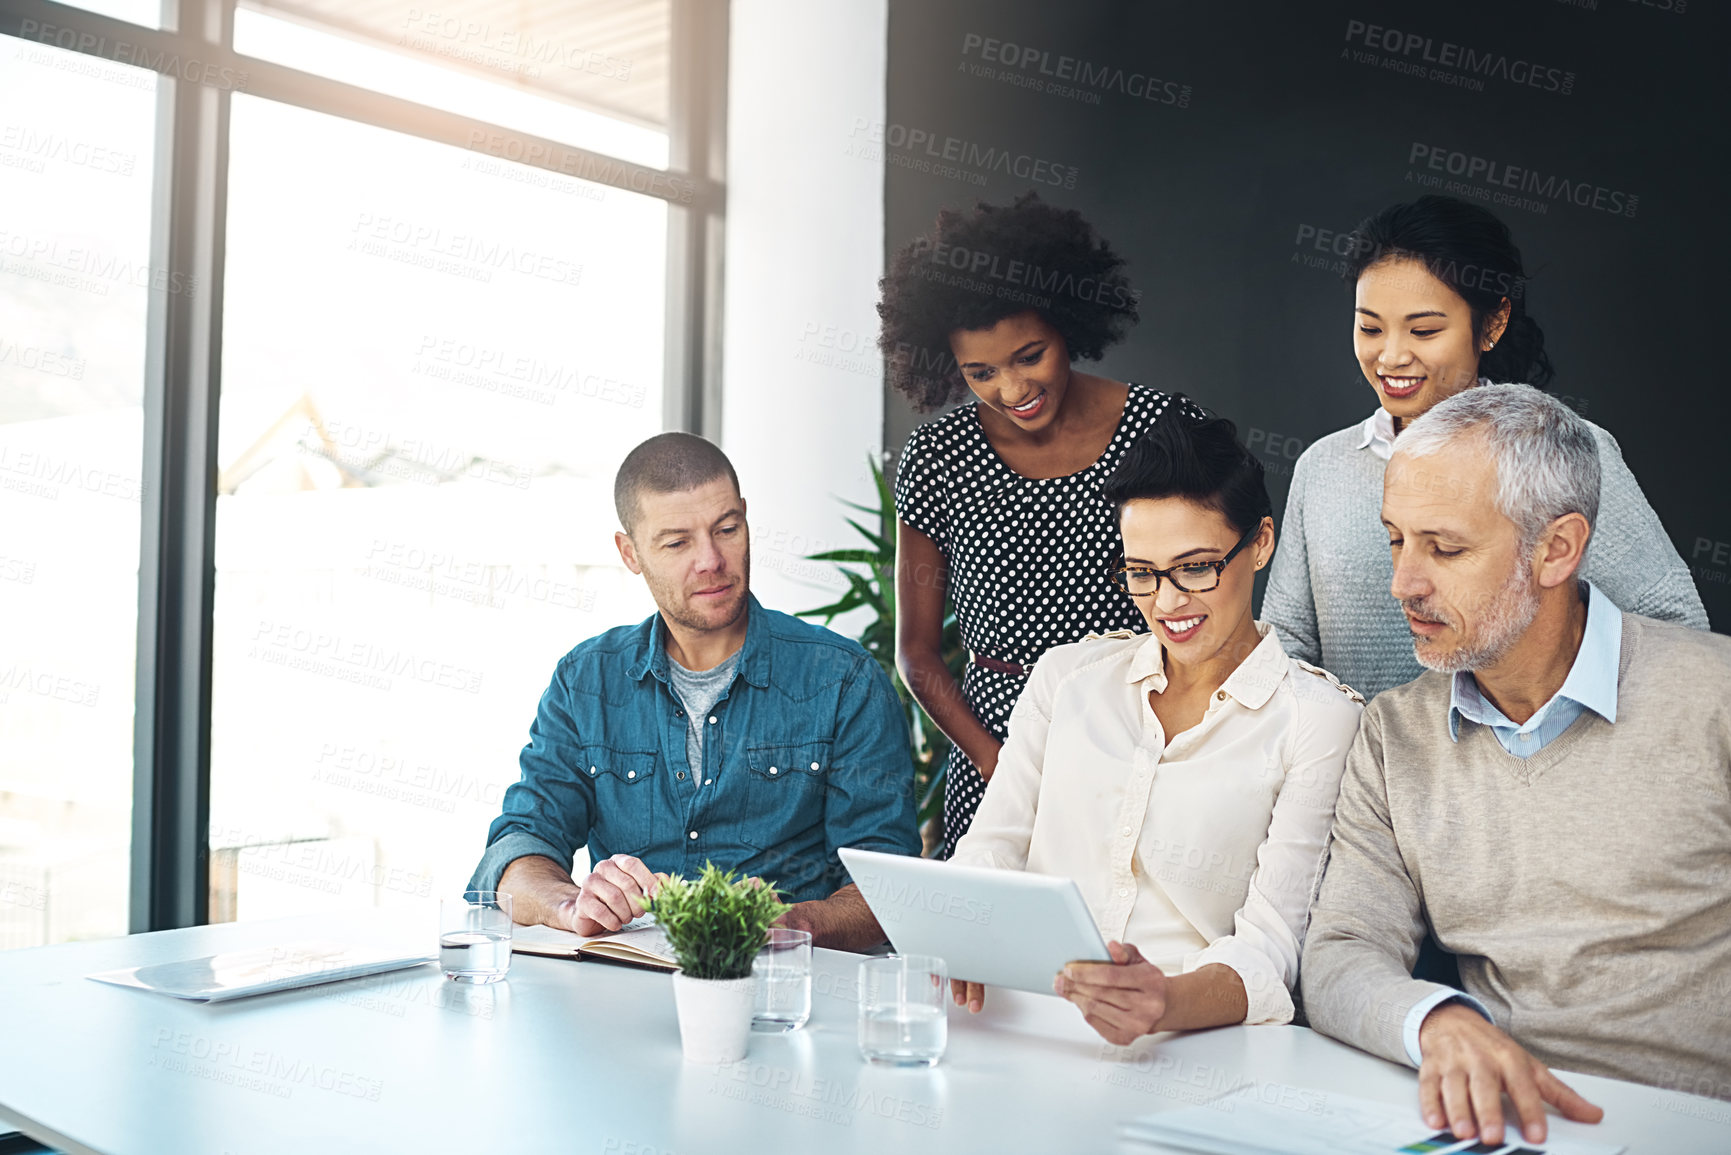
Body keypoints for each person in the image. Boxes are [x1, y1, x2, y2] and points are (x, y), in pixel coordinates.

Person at [1302, 385, 1731, 1148]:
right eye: (1394, 539)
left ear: (1556, 549)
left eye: (1445, 546)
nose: (1402, 582)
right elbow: (1340, 951)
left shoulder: (1714, 697)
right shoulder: (1392, 733)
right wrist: (1436, 1021)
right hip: (1499, 1128)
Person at [948, 406, 1365, 1041]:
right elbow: (990, 849)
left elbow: (1272, 947)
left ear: (1260, 543)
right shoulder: (1066, 679)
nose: (1168, 603)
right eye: (1142, 574)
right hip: (1022, 1021)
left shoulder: (1320, 721)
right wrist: (965, 924)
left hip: (1193, 1042)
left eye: (1196, 567)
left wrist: (1161, 1003)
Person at [467, 432, 921, 951]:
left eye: (727, 529)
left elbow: (891, 889)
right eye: (677, 542)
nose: (711, 560)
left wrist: (795, 923)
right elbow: (518, 847)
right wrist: (571, 907)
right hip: (625, 992)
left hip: (786, 991)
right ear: (630, 553)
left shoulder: (844, 679)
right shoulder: (586, 680)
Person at [1263, 195, 1706, 700]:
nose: (1390, 355)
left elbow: (1676, 631)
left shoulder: (1565, 453)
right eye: (1369, 327)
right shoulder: (1324, 466)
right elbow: (1289, 648)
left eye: (1424, 330)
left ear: (1492, 324)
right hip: (1361, 771)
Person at [882, 190, 1199, 856]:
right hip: (990, 757)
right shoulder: (937, 458)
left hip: (1134, 743)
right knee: (980, 951)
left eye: (1029, 356)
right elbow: (916, 653)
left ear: (1065, 323)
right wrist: (999, 765)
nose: (1011, 389)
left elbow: (1206, 607)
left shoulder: (1161, 431)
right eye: (980, 372)